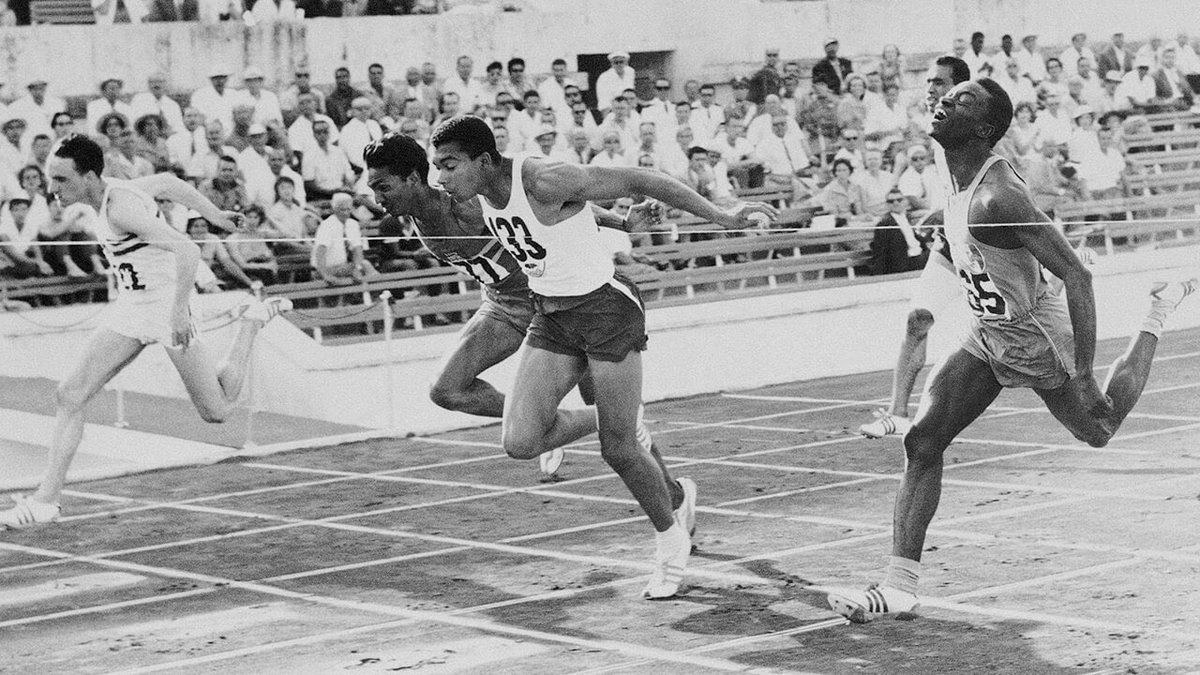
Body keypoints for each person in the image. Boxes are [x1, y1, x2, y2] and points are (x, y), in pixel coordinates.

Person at [827, 78, 1198, 623]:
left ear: (982, 130)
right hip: (989, 330)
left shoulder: (997, 196)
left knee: (1099, 429)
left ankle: (1157, 312)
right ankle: (899, 585)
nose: (945, 101)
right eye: (946, 94)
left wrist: (1086, 374)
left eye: (964, 101)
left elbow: (1077, 274)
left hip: (1039, 336)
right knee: (924, 440)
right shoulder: (949, 168)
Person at [429, 116, 775, 598]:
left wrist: (723, 215)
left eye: (448, 165)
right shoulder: (480, 193)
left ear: (483, 161)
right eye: (435, 167)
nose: (440, 178)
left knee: (619, 450)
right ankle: (614, 417)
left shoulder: (543, 177)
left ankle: (670, 541)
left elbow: (642, 179)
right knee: (521, 440)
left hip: (606, 310)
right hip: (551, 315)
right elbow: (571, 216)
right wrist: (623, 221)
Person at [0, 136, 291, 529]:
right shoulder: (118, 192)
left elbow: (186, 250)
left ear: (87, 176)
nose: (52, 189)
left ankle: (250, 324)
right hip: (133, 307)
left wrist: (177, 313)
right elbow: (170, 181)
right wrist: (217, 215)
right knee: (69, 393)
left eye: (61, 179)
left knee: (217, 411)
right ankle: (45, 501)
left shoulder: (121, 207)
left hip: (168, 306)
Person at [363, 133, 659, 473]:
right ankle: (554, 423)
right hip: (502, 306)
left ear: (413, 179)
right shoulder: (416, 220)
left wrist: (620, 223)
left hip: (551, 302)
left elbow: (554, 202)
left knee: (605, 403)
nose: (376, 198)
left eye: (382, 187)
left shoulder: (465, 203)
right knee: (446, 390)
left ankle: (667, 489)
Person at [859, 55, 970, 439]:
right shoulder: (935, 134)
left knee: (1025, 340)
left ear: (959, 91)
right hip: (951, 247)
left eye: (938, 83)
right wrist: (940, 215)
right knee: (917, 319)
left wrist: (945, 212)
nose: (930, 89)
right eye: (928, 83)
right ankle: (897, 413)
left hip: (985, 249)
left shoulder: (971, 135)